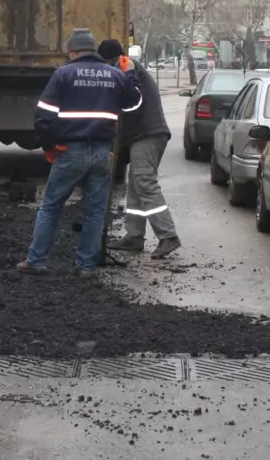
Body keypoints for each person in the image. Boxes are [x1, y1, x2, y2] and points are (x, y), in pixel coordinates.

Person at [18, 28, 141, 276]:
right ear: (92, 49)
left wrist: (50, 144)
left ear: (72, 50)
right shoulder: (114, 74)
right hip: (102, 154)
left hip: (70, 151)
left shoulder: (63, 74)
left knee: (51, 207)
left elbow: (43, 114)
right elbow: (135, 102)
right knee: (95, 212)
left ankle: (36, 260)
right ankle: (86, 267)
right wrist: (131, 75)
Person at [98, 39, 182, 259]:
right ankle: (134, 236)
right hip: (140, 135)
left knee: (144, 181)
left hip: (148, 133)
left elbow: (131, 99)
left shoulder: (127, 67)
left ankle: (168, 235)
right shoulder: (121, 67)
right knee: (135, 186)